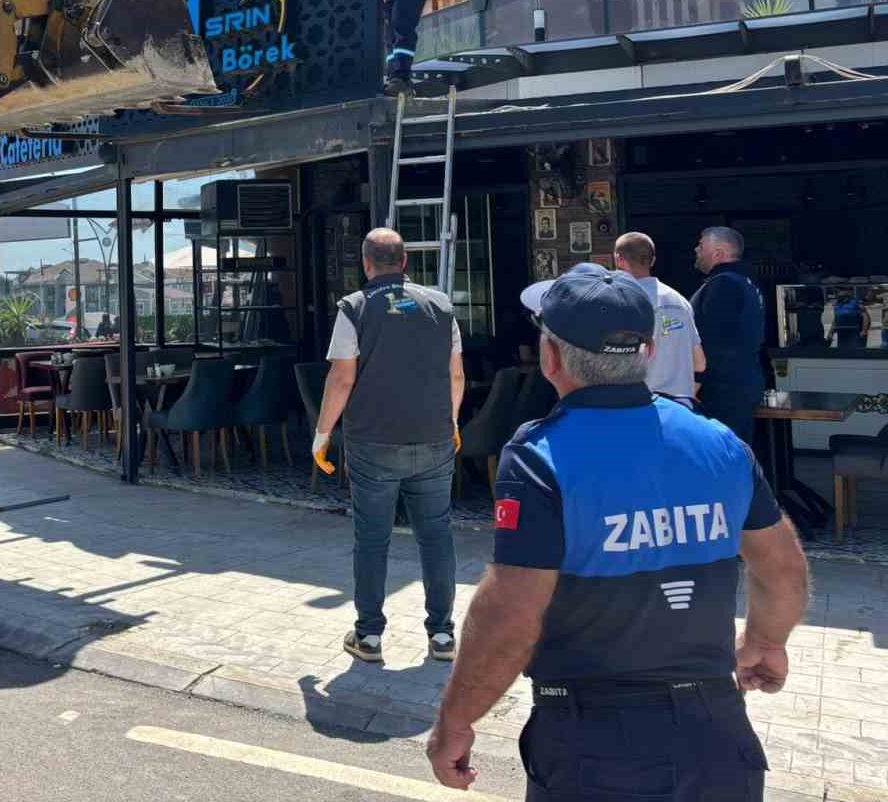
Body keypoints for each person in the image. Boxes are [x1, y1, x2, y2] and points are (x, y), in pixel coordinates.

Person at [425, 263, 810, 799]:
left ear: (550, 356)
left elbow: (511, 612)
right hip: (718, 736)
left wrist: (456, 720)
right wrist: (766, 642)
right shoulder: (719, 442)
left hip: (596, 743)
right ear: (648, 352)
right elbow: (783, 566)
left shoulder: (540, 457)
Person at [312, 227, 465, 663]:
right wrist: (452, 421)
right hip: (435, 438)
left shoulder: (355, 308)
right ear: (403, 263)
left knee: (373, 538)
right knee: (437, 537)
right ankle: (442, 636)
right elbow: (456, 375)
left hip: (373, 443)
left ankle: (370, 636)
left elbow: (341, 378)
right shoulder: (441, 306)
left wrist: (322, 436)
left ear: (366, 263)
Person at [691, 226, 766, 445]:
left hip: (723, 390)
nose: (696, 250)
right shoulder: (746, 282)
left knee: (724, 455)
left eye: (701, 245)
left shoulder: (724, 284)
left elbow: (715, 341)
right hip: (743, 382)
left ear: (719, 253)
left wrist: (697, 382)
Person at [613, 230, 705, 405]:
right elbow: (700, 364)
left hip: (640, 407)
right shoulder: (680, 301)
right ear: (653, 260)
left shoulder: (620, 302)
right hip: (681, 407)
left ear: (619, 260)